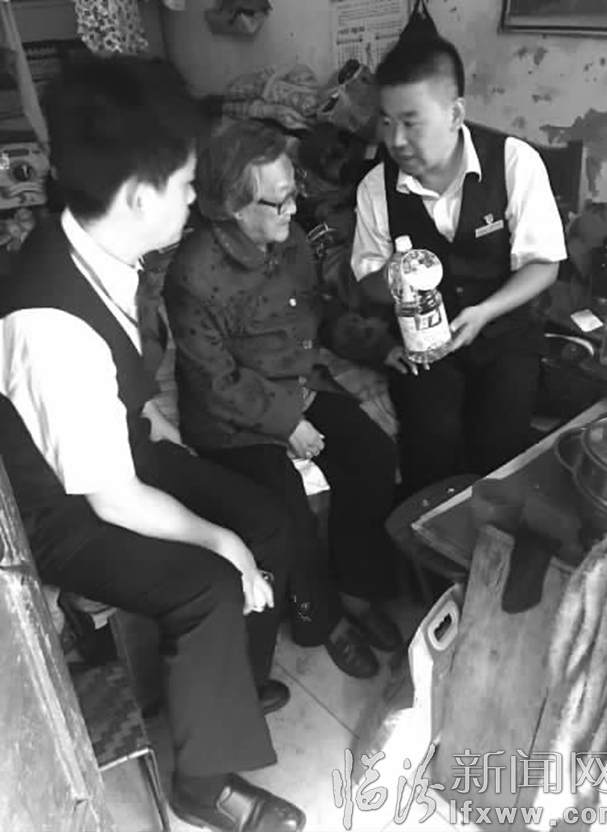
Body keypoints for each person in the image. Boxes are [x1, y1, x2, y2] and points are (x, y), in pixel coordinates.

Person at [0, 55, 306, 832]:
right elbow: (111, 500)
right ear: (140, 196)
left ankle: (224, 692)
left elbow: (126, 389)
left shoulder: (101, 246)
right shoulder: (50, 324)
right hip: (63, 510)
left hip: (120, 453)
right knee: (209, 579)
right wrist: (221, 544)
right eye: (185, 185)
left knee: (267, 517)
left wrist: (167, 440)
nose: (194, 199)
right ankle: (201, 786)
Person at [164, 119, 403, 683]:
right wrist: (288, 422)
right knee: (285, 508)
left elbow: (318, 317)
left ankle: (357, 589)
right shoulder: (192, 276)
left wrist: (379, 347)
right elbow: (213, 382)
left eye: (295, 191)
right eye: (279, 200)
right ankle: (323, 620)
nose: (294, 208)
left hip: (299, 383)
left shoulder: (290, 239)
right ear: (231, 207)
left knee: (372, 455)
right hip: (231, 419)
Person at [351, 36, 567, 496]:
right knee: (430, 446)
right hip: (422, 344)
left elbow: (544, 264)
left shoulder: (513, 162)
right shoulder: (375, 187)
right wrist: (392, 277)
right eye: (386, 121)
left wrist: (486, 311)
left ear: (454, 114)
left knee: (499, 449)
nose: (396, 140)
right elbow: (366, 284)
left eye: (411, 122)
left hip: (504, 332)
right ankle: (424, 534)